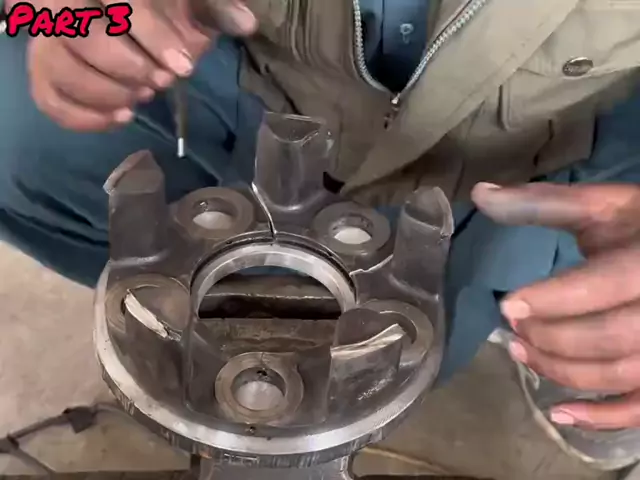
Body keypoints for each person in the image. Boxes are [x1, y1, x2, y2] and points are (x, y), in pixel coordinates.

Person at [2, 0, 640, 475]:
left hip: (551, 160)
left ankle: (567, 329)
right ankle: (220, 301)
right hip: (265, 88)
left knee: (587, 311)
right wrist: (53, 14)